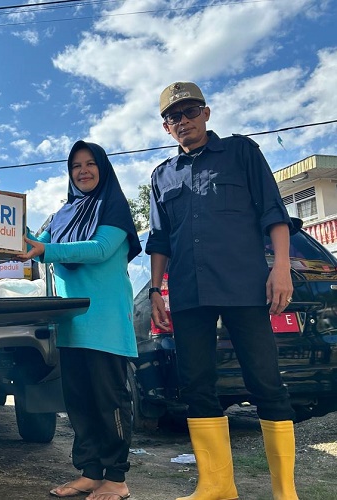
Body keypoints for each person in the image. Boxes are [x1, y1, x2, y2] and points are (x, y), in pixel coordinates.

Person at [147, 81, 299, 500]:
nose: (183, 121)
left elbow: (274, 211)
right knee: (195, 385)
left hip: (245, 286)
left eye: (190, 111)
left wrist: (281, 267)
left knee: (265, 382)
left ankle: (285, 491)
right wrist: (155, 291)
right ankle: (216, 487)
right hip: (189, 293)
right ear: (166, 127)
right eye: (173, 117)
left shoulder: (241, 153)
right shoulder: (162, 176)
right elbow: (159, 240)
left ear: (207, 113)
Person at [17, 140, 141, 500]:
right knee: (79, 403)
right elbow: (31, 246)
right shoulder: (62, 216)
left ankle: (116, 478)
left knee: (110, 401)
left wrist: (46, 249)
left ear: (102, 168)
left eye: (90, 164)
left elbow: (99, 249)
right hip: (72, 324)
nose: (83, 171)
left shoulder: (113, 206)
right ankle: (89, 473)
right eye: (76, 166)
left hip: (105, 324)